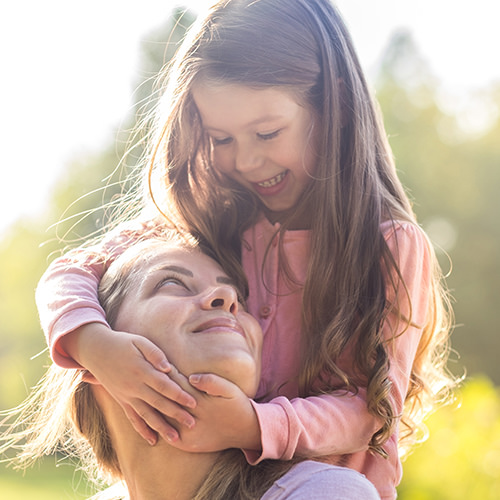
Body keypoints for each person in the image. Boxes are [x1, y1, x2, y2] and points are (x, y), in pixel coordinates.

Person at [34, 1, 459, 498]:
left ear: (334, 106)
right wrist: (94, 345)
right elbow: (70, 272)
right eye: (221, 138)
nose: (247, 160)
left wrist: (250, 426)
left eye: (266, 133)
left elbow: (370, 410)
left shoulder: (386, 248)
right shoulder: (215, 216)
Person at [2, 236, 380, 500]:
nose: (229, 298)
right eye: (172, 283)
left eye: (238, 297)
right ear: (95, 362)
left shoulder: (323, 493)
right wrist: (83, 336)